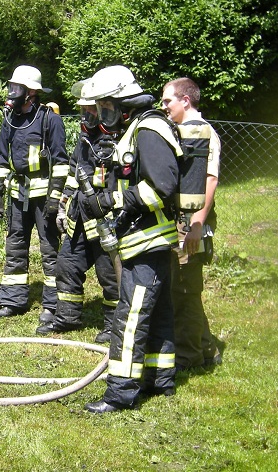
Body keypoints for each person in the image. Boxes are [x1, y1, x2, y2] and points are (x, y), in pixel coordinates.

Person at [79, 65, 179, 413]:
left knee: (131, 318)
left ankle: (120, 394)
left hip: (147, 241)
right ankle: (160, 380)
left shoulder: (148, 130)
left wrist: (111, 200)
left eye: (107, 108)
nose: (105, 116)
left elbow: (162, 188)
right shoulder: (137, 127)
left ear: (125, 102)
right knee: (160, 314)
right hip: (149, 241)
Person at [36, 80, 118, 342]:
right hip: (79, 217)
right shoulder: (85, 139)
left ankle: (114, 325)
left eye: (91, 111)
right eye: (84, 111)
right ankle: (67, 317)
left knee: (110, 276)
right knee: (66, 265)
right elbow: (74, 172)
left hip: (106, 221)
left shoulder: (117, 139)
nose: (87, 116)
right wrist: (63, 204)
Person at [0, 65, 68, 319]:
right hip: (17, 194)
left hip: (43, 196)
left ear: (31, 92)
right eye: (11, 87)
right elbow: (3, 159)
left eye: (17, 88)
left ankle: (53, 304)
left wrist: (55, 198)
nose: (12, 92)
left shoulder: (50, 120)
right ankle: (13, 299)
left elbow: (60, 162)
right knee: (15, 246)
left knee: (49, 249)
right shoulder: (9, 119)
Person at [161, 77, 222, 371]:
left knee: (185, 289)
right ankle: (207, 347)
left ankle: (189, 356)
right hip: (177, 223)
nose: (164, 107)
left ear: (185, 100)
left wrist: (196, 224)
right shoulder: (182, 131)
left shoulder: (203, 133)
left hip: (192, 225)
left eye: (167, 101)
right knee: (182, 286)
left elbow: (209, 181)